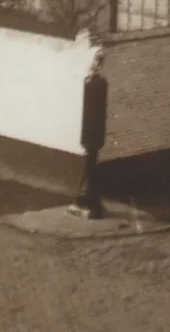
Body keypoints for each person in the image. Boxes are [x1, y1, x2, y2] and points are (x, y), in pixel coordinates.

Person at [74, 50, 108, 219]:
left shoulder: (97, 84)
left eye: (97, 64)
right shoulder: (94, 83)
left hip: (92, 137)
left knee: (91, 170)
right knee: (89, 169)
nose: (94, 67)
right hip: (90, 137)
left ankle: (92, 204)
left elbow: (95, 113)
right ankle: (86, 201)